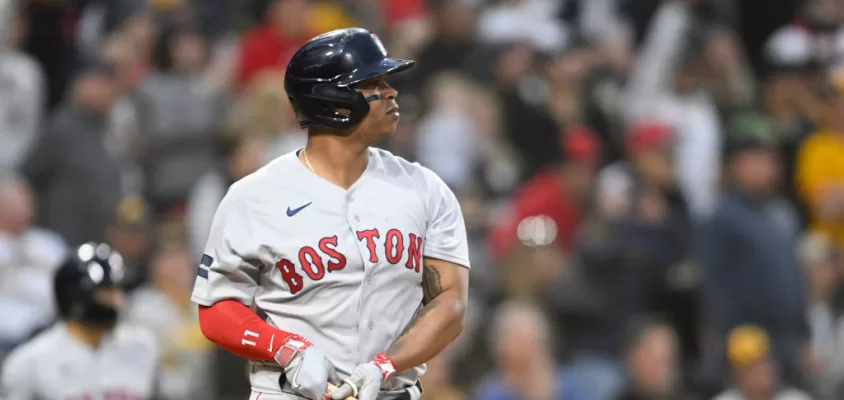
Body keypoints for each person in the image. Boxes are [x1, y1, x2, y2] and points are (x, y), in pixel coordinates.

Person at [193, 28, 470, 400]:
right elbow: (216, 307)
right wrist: (286, 348)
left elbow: (450, 300)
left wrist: (383, 365)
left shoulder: (424, 188)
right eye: (372, 83)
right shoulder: (254, 196)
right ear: (332, 100)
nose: (391, 92)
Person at [0, 242, 160, 399]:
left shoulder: (142, 347)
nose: (117, 300)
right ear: (74, 297)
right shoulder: (30, 362)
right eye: (106, 292)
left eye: (117, 290)